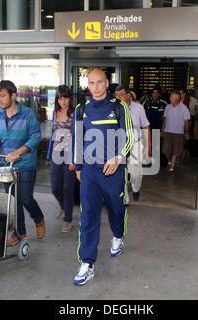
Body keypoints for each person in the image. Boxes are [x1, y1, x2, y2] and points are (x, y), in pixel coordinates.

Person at [70, 69, 134, 285]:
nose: (95, 87)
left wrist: (118, 158)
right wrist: (78, 167)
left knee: (116, 209)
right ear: (87, 85)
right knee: (88, 215)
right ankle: (87, 263)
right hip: (89, 171)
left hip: (113, 171)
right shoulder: (81, 110)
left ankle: (118, 236)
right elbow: (77, 139)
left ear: (107, 83)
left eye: (99, 82)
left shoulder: (119, 106)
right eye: (91, 83)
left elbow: (129, 136)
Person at [0, 80, 45, 246]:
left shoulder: (28, 114)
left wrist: (18, 152)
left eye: (2, 96)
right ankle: (20, 233)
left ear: (13, 95)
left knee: (25, 198)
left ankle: (38, 218)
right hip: (6, 166)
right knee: (13, 200)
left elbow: (35, 137)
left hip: (25, 164)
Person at [47, 85, 76, 233]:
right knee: (55, 188)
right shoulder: (54, 112)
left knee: (67, 188)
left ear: (70, 98)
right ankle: (63, 207)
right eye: (60, 97)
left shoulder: (76, 113)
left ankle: (68, 219)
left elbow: (79, 137)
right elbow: (53, 134)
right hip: (56, 154)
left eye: (66, 97)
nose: (63, 101)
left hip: (70, 155)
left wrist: (74, 159)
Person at [115, 85, 151, 203]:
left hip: (135, 144)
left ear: (128, 95)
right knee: (120, 173)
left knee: (135, 174)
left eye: (121, 95)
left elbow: (145, 126)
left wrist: (148, 147)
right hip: (119, 145)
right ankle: (125, 199)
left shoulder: (139, 108)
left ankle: (136, 189)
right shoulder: (113, 109)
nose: (118, 97)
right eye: (116, 95)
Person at [161, 91, 190, 175]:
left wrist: (187, 132)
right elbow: (165, 119)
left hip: (179, 133)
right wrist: (162, 130)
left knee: (176, 151)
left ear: (177, 98)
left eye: (171, 97)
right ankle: (169, 161)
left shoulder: (184, 108)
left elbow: (187, 121)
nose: (170, 98)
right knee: (166, 150)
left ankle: (171, 168)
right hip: (167, 132)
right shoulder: (168, 107)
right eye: (170, 97)